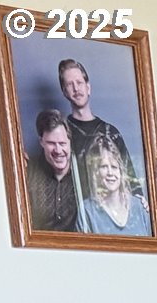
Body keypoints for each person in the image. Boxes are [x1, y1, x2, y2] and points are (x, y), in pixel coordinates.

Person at [58, 58, 139, 198]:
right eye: (70, 85)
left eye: (79, 83)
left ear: (88, 88)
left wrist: (139, 197)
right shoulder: (62, 133)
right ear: (64, 92)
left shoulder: (111, 132)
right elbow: (48, 170)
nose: (76, 89)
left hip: (111, 212)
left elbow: (131, 179)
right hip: (79, 212)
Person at [78, 133, 150, 236]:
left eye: (114, 167)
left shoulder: (139, 206)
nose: (110, 173)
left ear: (121, 171)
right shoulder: (87, 211)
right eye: (104, 166)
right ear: (95, 172)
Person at [24, 109, 82, 232]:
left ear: (70, 142)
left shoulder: (84, 172)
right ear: (41, 142)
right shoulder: (27, 171)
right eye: (51, 143)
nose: (58, 150)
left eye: (62, 143)